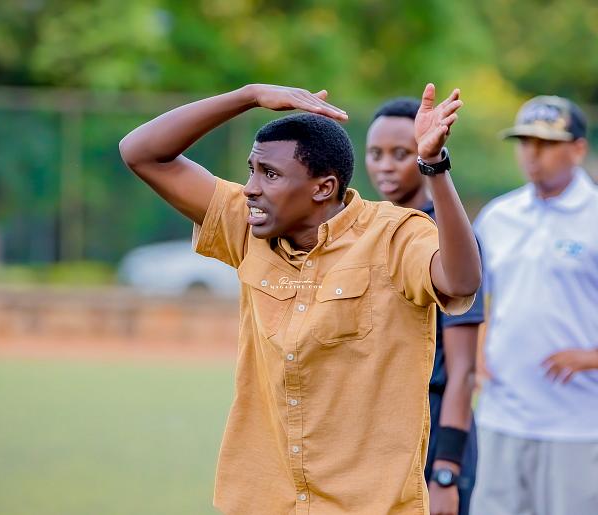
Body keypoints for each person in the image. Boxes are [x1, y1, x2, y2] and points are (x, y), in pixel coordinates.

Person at [119, 83, 481, 514]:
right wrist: (248, 95)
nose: (250, 188)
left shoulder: (395, 235)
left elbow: (461, 281)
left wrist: (434, 166)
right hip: (264, 502)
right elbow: (140, 153)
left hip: (369, 505)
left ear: (323, 188)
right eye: (252, 170)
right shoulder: (247, 227)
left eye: (269, 174)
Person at [470, 96, 598, 515]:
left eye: (546, 143)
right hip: (502, 413)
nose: (532, 153)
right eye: (525, 142)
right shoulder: (498, 216)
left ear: (578, 148)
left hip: (579, 422)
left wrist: (591, 357)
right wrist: (477, 352)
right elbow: (472, 298)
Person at [365, 97, 484, 515]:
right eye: (375, 154)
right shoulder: (368, 227)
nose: (385, 166)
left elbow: (463, 370)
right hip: (379, 431)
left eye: (400, 154)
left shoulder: (448, 237)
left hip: (433, 429)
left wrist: (446, 471)